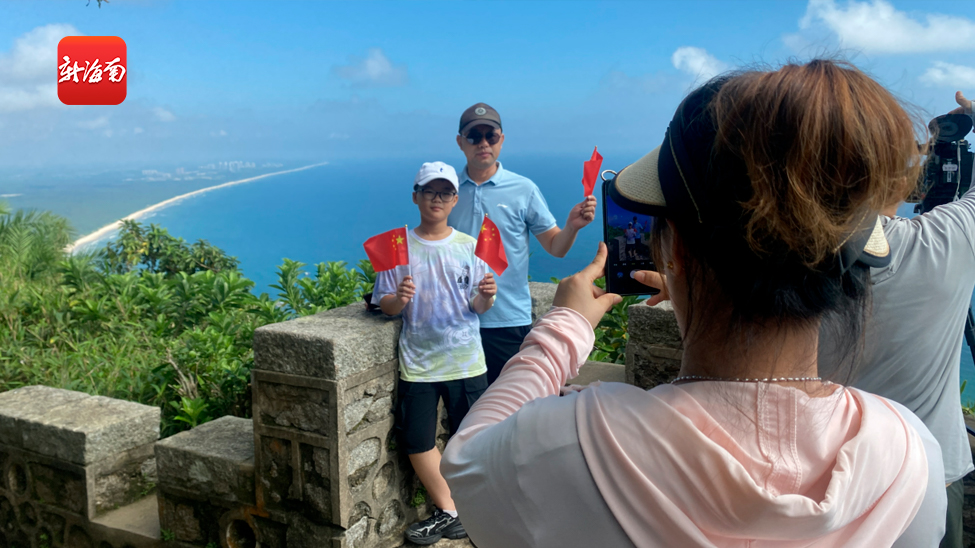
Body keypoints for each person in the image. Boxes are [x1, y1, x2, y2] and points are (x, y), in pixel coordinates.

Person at [441, 61, 946, 547]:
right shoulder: (909, 457)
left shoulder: (564, 446)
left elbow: (466, 463)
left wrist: (564, 327)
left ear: (675, 249)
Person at [839, 90, 975, 548]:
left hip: (825, 479)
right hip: (931, 477)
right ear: (905, 180)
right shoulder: (948, 243)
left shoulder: (774, 259)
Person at [370, 161, 497, 545]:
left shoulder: (469, 246)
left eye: (445, 192)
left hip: (465, 360)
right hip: (419, 363)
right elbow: (385, 306)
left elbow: (477, 307)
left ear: (455, 199)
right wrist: (398, 299)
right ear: (416, 197)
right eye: (429, 191)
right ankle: (452, 510)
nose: (437, 199)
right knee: (416, 439)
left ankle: (476, 509)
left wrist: (487, 296)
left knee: (473, 439)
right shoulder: (397, 247)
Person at [448, 103, 597, 384]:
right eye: (474, 136)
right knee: (464, 407)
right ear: (460, 142)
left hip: (508, 320)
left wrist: (572, 227)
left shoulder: (523, 189)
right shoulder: (448, 190)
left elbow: (556, 247)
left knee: (511, 402)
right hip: (457, 317)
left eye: (490, 136)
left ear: (501, 139)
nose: (483, 143)